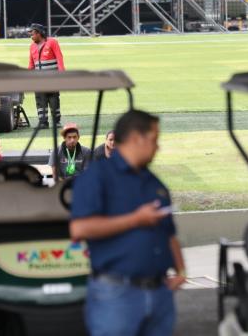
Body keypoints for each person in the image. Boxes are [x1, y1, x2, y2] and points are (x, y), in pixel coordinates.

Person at [71, 110, 186, 336]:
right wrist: (135, 219)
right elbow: (80, 228)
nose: (157, 147)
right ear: (136, 138)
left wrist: (181, 270)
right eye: (154, 140)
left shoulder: (154, 183)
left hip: (159, 293)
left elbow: (168, 233)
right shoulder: (97, 176)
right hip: (117, 293)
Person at [28, 23, 65, 128]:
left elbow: (59, 58)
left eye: (32, 33)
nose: (31, 36)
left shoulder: (52, 42)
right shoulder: (32, 47)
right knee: (40, 102)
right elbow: (31, 65)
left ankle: (56, 121)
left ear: (39, 33)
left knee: (54, 100)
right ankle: (43, 122)